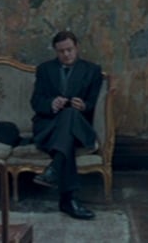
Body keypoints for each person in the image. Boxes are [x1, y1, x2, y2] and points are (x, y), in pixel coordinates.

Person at [30, 30, 103, 220]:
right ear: (56, 51)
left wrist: (84, 106)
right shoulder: (45, 69)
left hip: (79, 128)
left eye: (69, 49)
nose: (66, 54)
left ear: (77, 47)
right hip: (49, 127)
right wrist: (51, 104)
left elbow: (94, 103)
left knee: (71, 114)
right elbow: (36, 102)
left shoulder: (92, 70)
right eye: (61, 51)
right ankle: (68, 200)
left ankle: (55, 170)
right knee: (65, 142)